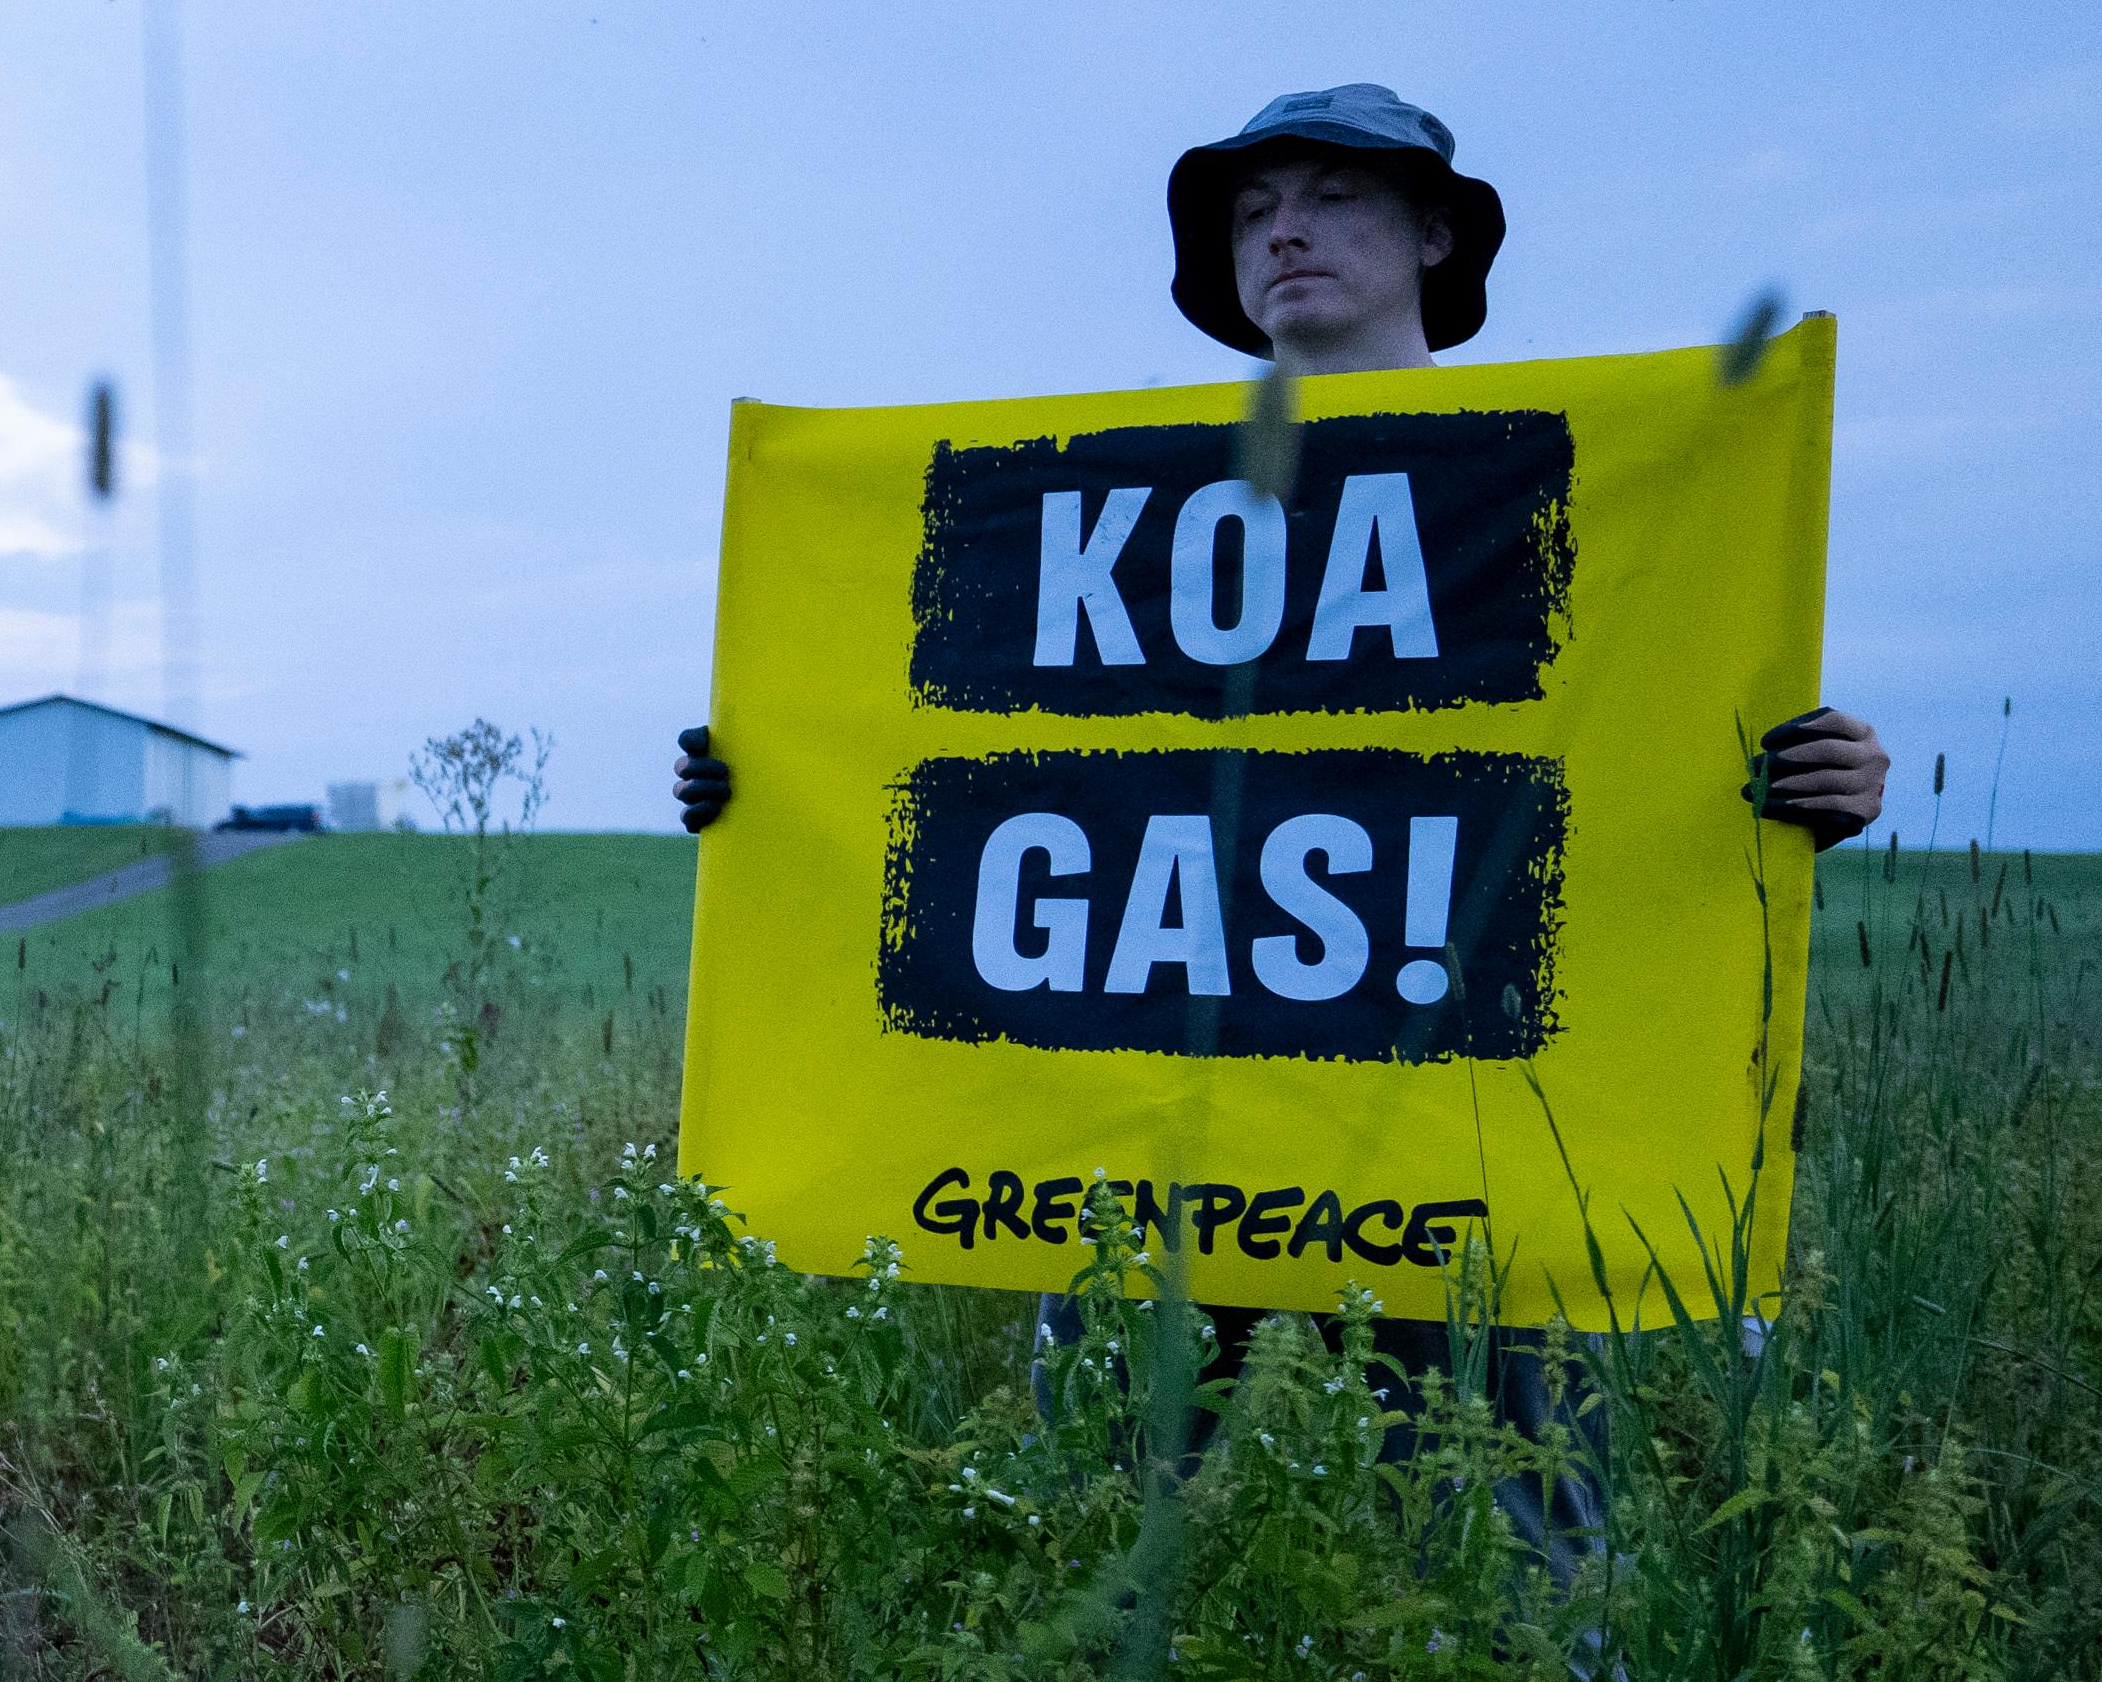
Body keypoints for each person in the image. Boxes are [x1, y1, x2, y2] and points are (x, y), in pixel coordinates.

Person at [673, 86, 1888, 1527]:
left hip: (1464, 1121)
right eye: (1252, 213)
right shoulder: (1126, 496)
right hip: (1164, 1115)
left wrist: (1817, 781)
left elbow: (1658, 727)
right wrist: (766, 783)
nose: (1283, 233)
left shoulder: (1580, 474)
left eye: (1332, 198)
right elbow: (963, 746)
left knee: (1505, 1526)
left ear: (1436, 233)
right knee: (1114, 1499)